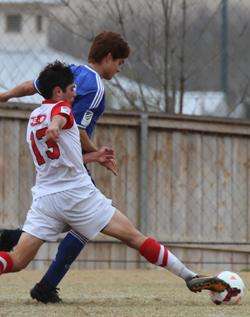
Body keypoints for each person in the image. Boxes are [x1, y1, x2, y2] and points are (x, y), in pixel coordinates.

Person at [0, 61, 229, 303]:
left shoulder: (34, 117)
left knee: (17, 261)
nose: (75, 93)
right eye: (71, 89)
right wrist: (56, 127)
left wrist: (93, 156)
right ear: (58, 91)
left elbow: (62, 157)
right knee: (135, 238)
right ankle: (189, 275)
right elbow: (60, 117)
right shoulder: (63, 110)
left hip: (46, 200)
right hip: (78, 196)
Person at [0, 31, 130, 303]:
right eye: (119, 63)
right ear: (107, 58)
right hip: (71, 165)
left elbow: (30, 86)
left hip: (55, 163)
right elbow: (77, 126)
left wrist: (6, 95)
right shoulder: (95, 87)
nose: (119, 69)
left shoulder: (69, 71)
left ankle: (11, 242)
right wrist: (97, 152)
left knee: (66, 222)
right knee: (85, 224)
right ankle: (46, 286)